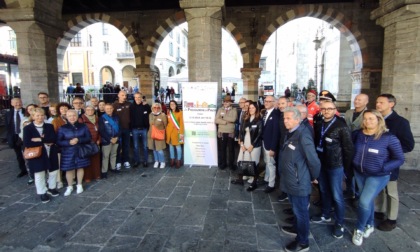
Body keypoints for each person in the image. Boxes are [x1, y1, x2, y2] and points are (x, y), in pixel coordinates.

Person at [351, 109, 404, 246]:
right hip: (359, 173)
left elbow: (399, 158)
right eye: (365, 118)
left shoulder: (388, 137)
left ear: (379, 120)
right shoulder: (358, 135)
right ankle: (370, 225)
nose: (367, 121)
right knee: (367, 201)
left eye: (371, 119)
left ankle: (359, 229)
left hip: (378, 175)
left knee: (363, 201)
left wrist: (383, 168)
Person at [279, 107, 321, 252]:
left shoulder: (303, 134)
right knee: (296, 210)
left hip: (298, 180)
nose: (285, 121)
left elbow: (313, 160)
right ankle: (296, 228)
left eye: (288, 118)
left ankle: (303, 242)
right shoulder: (291, 132)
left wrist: (314, 176)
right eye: (284, 118)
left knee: (301, 212)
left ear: (298, 119)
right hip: (290, 179)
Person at [311, 100, 353, 239]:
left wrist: (346, 169)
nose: (326, 111)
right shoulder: (319, 123)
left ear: (335, 109)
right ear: (321, 110)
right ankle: (325, 214)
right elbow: (317, 141)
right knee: (323, 190)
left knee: (337, 195)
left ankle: (339, 223)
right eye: (324, 109)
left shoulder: (341, 126)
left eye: (330, 109)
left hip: (335, 165)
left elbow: (348, 148)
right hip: (322, 163)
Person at [374, 94, 415, 231]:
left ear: (391, 104)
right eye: (377, 102)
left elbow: (408, 145)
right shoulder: (375, 119)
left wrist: (391, 152)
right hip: (375, 161)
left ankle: (391, 219)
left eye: (381, 102)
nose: (378, 104)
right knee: (378, 188)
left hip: (390, 162)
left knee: (391, 191)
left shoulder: (400, 122)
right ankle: (379, 210)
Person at [23, 108, 59, 203]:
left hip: (50, 151)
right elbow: (27, 143)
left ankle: (52, 187)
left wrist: (39, 140)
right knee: (39, 173)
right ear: (33, 116)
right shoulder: (27, 128)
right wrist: (45, 141)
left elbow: (53, 139)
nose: (40, 117)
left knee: (53, 171)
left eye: (42, 115)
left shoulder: (49, 126)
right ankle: (42, 192)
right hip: (37, 154)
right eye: (37, 115)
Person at [57, 110, 92, 196]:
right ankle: (69, 186)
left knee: (80, 167)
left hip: (80, 150)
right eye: (70, 116)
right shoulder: (62, 128)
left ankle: (79, 184)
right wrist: (68, 142)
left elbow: (88, 138)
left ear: (77, 116)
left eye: (74, 115)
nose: (72, 117)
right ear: (66, 117)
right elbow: (58, 141)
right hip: (68, 151)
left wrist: (79, 140)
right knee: (69, 169)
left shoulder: (83, 126)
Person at [231, 102, 263, 191]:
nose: (251, 109)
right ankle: (240, 179)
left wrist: (252, 145)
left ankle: (254, 182)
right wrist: (241, 144)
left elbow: (259, 134)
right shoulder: (246, 118)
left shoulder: (259, 120)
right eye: (250, 108)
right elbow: (241, 132)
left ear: (256, 109)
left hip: (254, 145)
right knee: (241, 160)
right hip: (244, 143)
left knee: (253, 163)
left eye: (253, 108)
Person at [344, 93, 369, 199]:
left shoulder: (368, 114)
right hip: (348, 145)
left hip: (360, 145)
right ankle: (350, 191)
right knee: (348, 171)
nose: (356, 101)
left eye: (359, 100)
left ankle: (359, 193)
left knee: (359, 171)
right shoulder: (349, 112)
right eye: (356, 99)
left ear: (366, 102)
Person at [261, 95, 280, 193]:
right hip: (265, 142)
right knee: (267, 162)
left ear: (273, 102)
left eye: (269, 101)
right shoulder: (265, 112)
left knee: (271, 164)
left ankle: (271, 184)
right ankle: (266, 179)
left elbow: (276, 133)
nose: (266, 102)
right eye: (265, 101)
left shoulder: (276, 114)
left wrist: (273, 148)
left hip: (270, 145)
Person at [51, 102, 72, 189]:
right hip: (60, 145)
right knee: (59, 164)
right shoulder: (55, 121)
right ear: (59, 110)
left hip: (70, 145)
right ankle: (59, 181)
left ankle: (70, 179)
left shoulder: (72, 118)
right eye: (62, 108)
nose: (64, 110)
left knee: (70, 162)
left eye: (66, 108)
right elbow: (54, 133)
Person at [5, 98, 27, 178]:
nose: (18, 104)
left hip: (24, 135)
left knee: (27, 152)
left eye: (19, 102)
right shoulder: (8, 113)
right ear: (12, 104)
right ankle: (23, 170)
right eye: (16, 103)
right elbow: (7, 126)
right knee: (18, 154)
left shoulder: (26, 112)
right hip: (14, 136)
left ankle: (30, 169)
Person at [215, 95, 238, 170]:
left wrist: (222, 117)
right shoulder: (220, 109)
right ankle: (223, 163)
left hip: (230, 132)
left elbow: (233, 119)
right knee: (222, 149)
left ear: (230, 103)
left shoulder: (234, 110)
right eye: (224, 101)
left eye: (227, 102)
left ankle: (231, 164)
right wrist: (225, 122)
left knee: (231, 149)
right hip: (221, 132)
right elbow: (216, 120)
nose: (225, 103)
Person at [79, 105, 101, 182]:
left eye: (91, 110)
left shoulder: (97, 118)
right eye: (88, 110)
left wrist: (99, 139)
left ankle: (96, 175)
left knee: (96, 160)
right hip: (87, 142)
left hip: (95, 142)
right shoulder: (81, 119)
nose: (90, 111)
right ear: (85, 110)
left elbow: (100, 130)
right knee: (87, 160)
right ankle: (87, 177)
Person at [130, 92, 151, 168]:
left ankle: (145, 161)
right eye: (136, 97)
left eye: (139, 97)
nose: (137, 99)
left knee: (145, 146)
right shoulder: (131, 106)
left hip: (144, 129)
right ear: (134, 98)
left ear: (142, 98)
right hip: (134, 129)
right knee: (135, 147)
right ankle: (136, 161)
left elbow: (150, 114)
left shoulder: (146, 106)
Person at [99, 104, 120, 178]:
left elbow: (119, 128)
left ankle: (113, 167)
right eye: (107, 108)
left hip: (116, 139)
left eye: (110, 108)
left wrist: (116, 137)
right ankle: (104, 171)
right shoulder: (102, 118)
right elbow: (101, 131)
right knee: (106, 156)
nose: (109, 110)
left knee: (114, 154)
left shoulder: (116, 117)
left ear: (113, 109)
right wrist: (110, 139)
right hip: (106, 140)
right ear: (104, 109)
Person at [113, 90, 132, 169]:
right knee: (118, 146)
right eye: (122, 95)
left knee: (126, 145)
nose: (124, 97)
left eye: (125, 95)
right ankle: (118, 161)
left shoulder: (129, 104)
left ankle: (126, 160)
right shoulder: (114, 105)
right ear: (118, 95)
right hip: (117, 130)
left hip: (127, 129)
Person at [148, 103, 168, 168]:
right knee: (154, 149)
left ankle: (162, 161)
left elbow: (165, 125)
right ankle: (157, 161)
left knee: (160, 150)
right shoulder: (150, 115)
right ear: (152, 108)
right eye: (154, 108)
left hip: (159, 134)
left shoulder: (163, 115)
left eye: (158, 108)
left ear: (160, 108)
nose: (156, 109)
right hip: (152, 134)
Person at [166, 100, 184, 168]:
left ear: (176, 105)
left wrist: (181, 135)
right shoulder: (168, 112)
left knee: (178, 147)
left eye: (173, 104)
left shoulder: (180, 112)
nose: (172, 105)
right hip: (169, 132)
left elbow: (181, 124)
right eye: (171, 104)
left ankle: (178, 160)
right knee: (171, 147)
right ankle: (172, 159)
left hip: (177, 132)